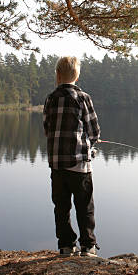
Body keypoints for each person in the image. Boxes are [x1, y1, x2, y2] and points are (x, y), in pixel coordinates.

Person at [43, 56, 100, 257]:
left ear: (57, 76)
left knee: (61, 207)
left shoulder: (50, 98)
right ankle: (88, 246)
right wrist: (90, 146)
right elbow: (94, 131)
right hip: (79, 166)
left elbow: (47, 128)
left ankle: (66, 246)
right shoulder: (83, 98)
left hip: (57, 165)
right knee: (85, 207)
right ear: (77, 75)